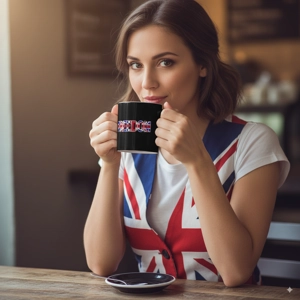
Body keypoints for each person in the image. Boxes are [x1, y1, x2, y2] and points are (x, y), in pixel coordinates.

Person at [84, 0, 290, 287]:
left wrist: (197, 161)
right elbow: (100, 262)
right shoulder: (131, 141)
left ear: (203, 64)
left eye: (165, 62)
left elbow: (235, 271)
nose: (147, 82)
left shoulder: (251, 142)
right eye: (135, 65)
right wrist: (109, 164)